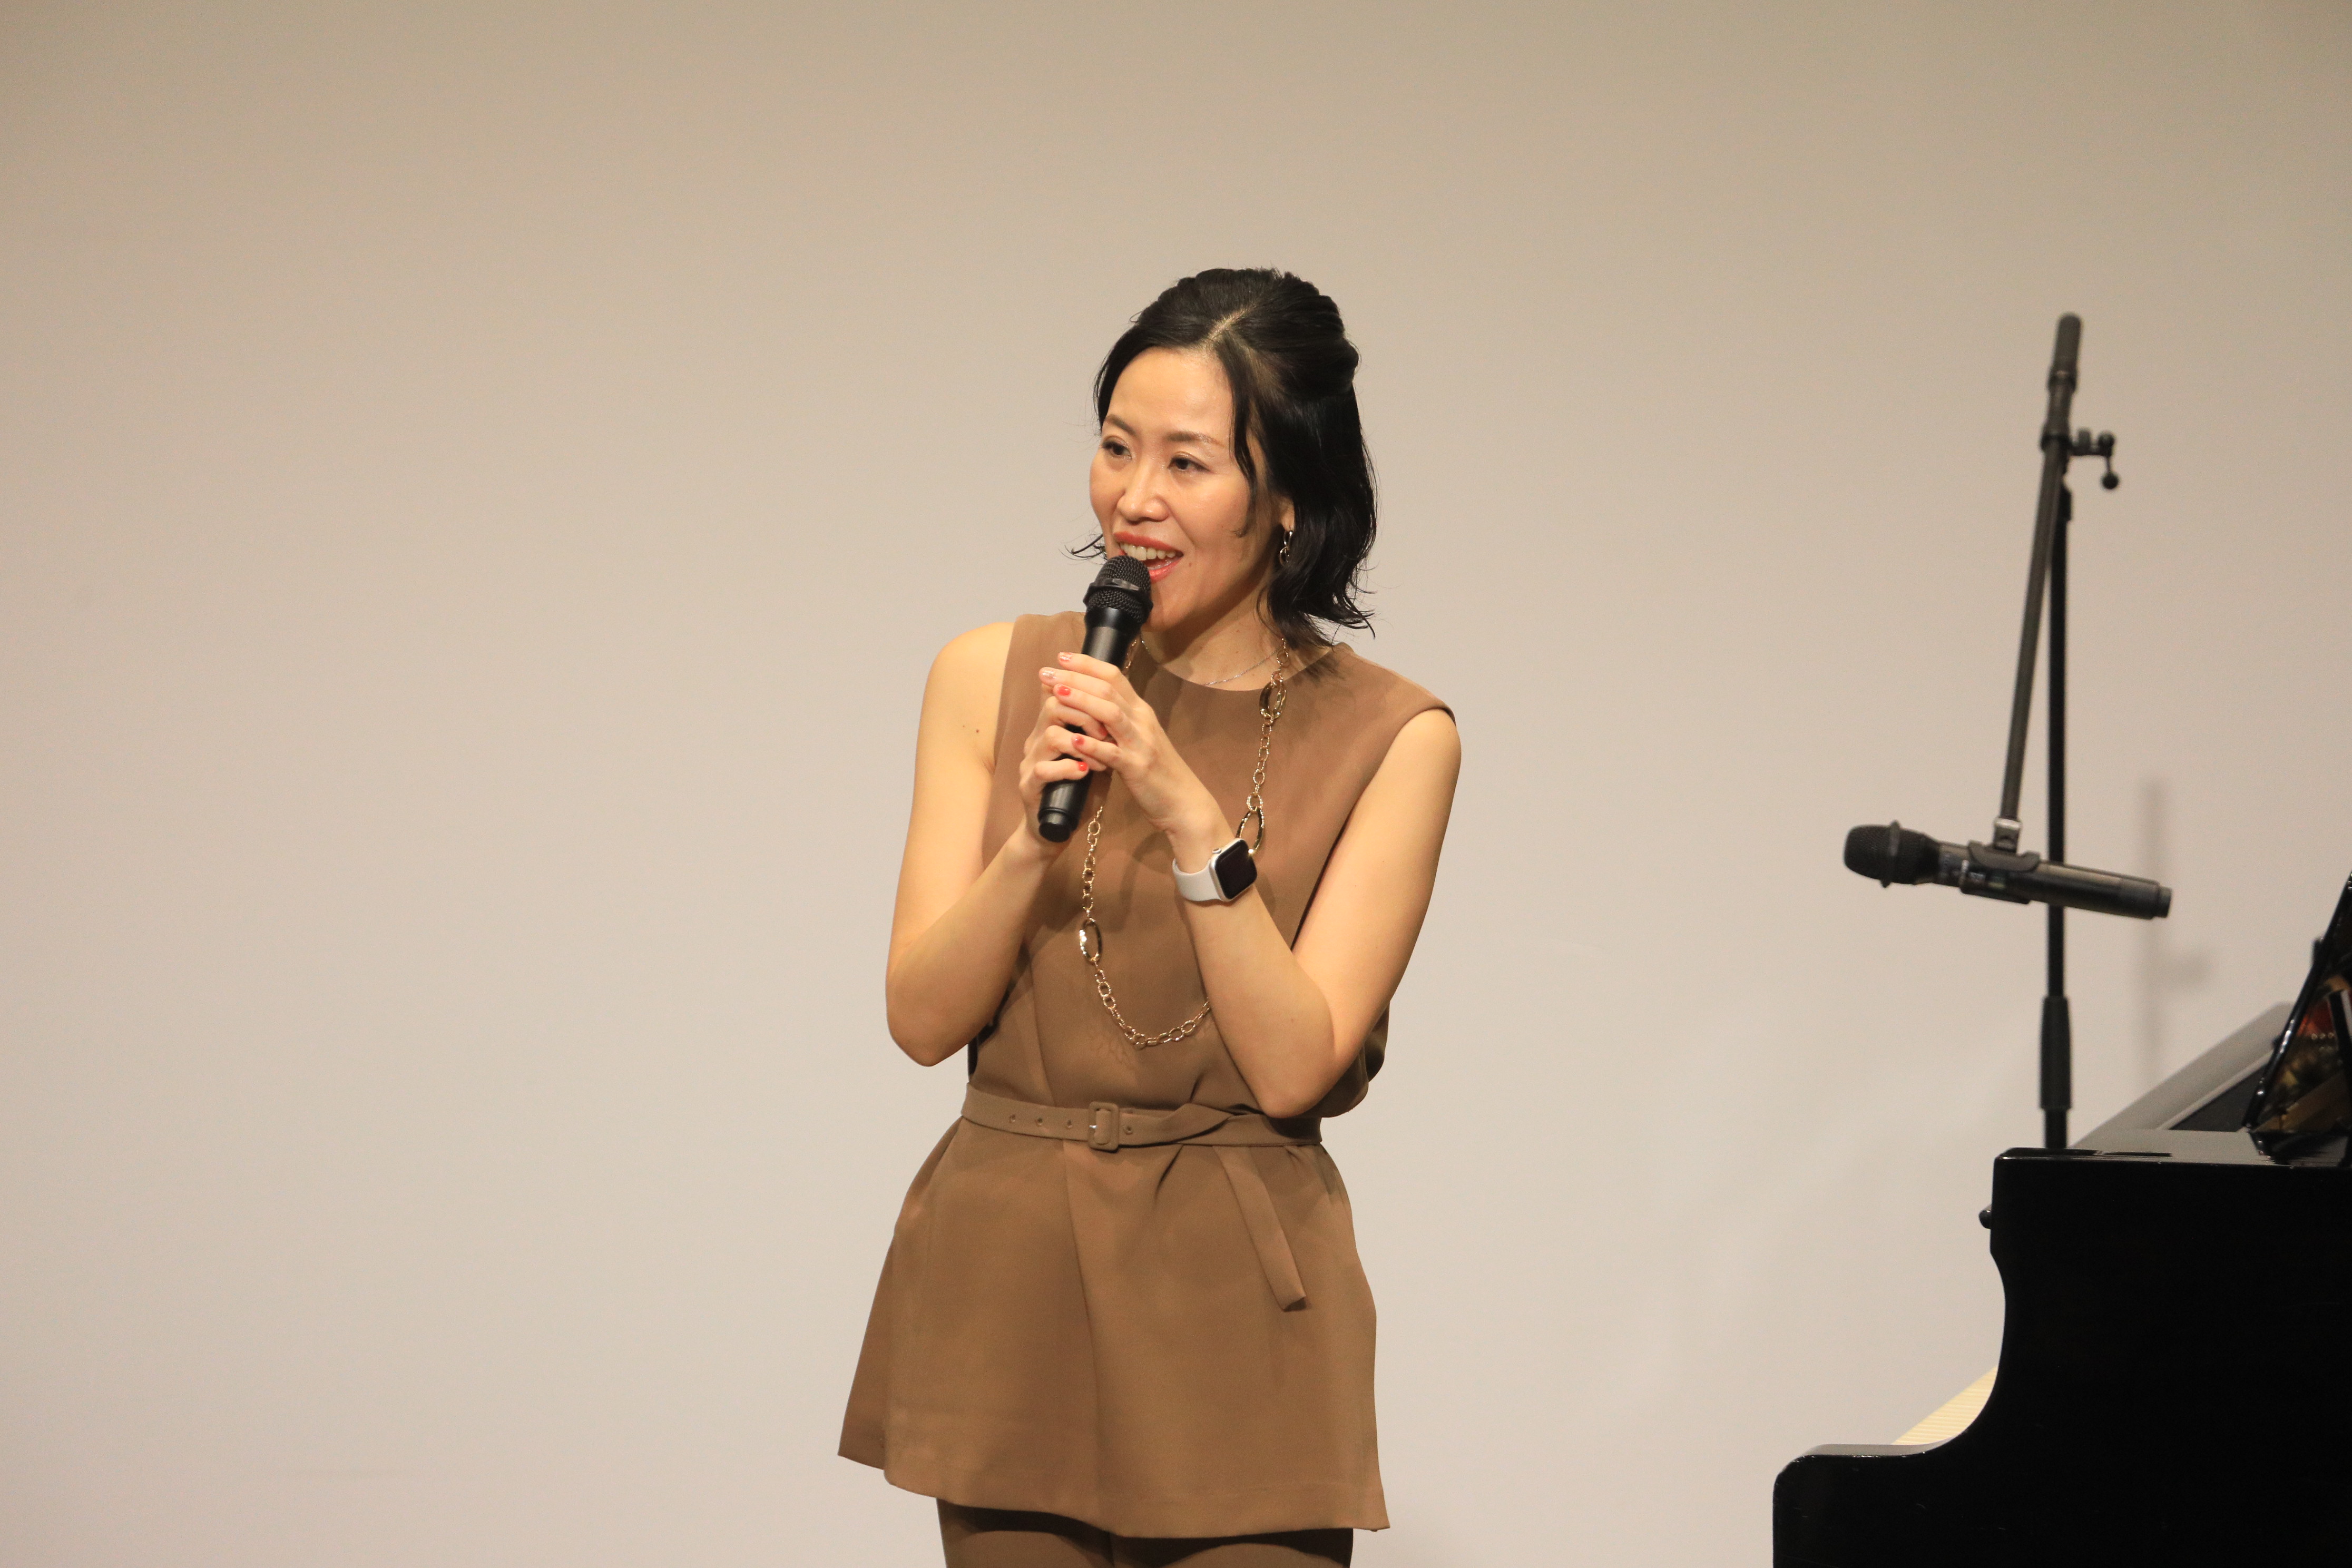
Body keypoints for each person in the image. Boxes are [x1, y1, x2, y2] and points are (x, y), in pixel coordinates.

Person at [841, 268, 1461, 1567]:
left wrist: (1186, 813)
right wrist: (1030, 840)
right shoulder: (991, 676)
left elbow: (1295, 1066)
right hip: (1007, 1273)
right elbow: (920, 1019)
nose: (1135, 498)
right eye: (1117, 447)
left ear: (1288, 500)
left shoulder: (1397, 736)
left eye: (1188, 462)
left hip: (1236, 1293)